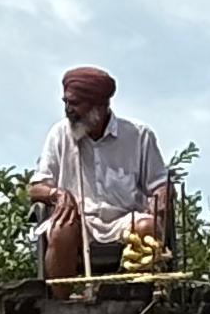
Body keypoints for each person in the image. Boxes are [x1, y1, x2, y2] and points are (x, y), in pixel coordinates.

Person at [34, 67, 175, 281]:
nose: (68, 110)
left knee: (147, 226)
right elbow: (36, 187)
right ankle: (59, 299)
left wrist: (163, 195)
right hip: (80, 221)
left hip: (126, 220)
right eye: (66, 102)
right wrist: (57, 194)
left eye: (75, 103)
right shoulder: (59, 133)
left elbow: (159, 184)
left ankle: (137, 295)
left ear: (99, 107)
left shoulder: (139, 135)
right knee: (60, 229)